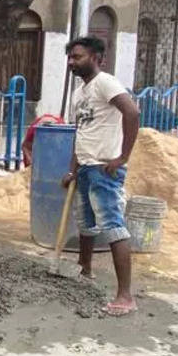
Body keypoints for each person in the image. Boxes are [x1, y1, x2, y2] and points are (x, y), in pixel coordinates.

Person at [61, 36, 140, 316]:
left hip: (105, 168)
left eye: (78, 57)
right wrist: (73, 168)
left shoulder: (106, 83)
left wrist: (122, 157)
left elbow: (132, 112)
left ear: (97, 58)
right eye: (70, 57)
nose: (72, 62)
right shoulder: (80, 93)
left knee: (113, 226)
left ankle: (125, 296)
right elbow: (80, 133)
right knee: (86, 223)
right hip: (85, 167)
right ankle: (85, 270)